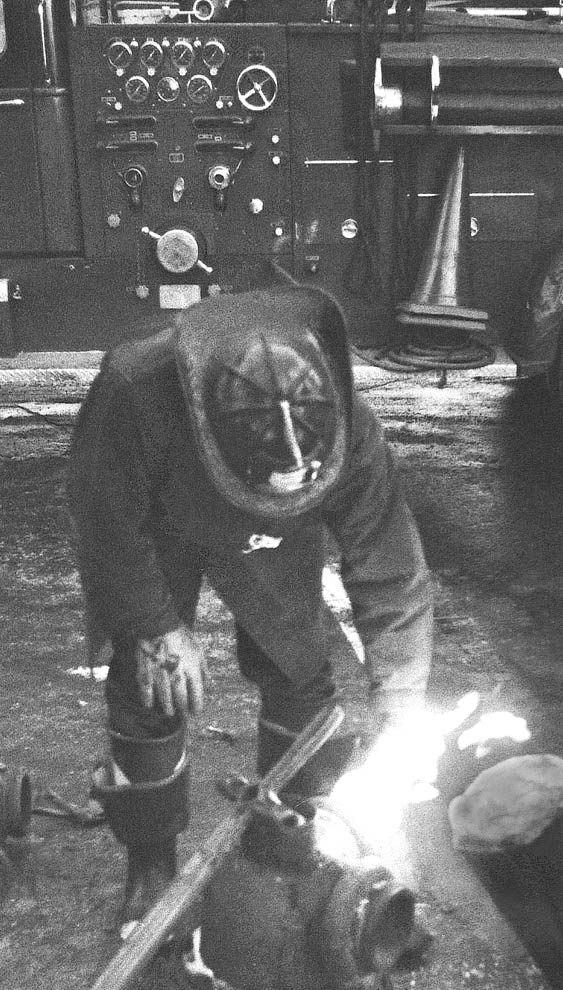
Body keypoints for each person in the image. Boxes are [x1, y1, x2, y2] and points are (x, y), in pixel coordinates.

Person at [67, 283, 434, 928]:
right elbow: (105, 522)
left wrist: (400, 699)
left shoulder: (350, 427)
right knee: (151, 684)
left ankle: (277, 854)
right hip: (159, 518)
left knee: (302, 673)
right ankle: (151, 859)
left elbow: (392, 569)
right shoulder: (134, 390)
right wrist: (155, 626)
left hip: (276, 533)